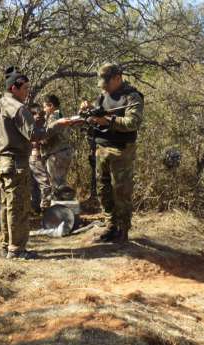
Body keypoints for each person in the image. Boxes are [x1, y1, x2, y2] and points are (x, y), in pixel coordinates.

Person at [0, 67, 70, 259]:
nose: (27, 92)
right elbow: (34, 135)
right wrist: (57, 125)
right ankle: (17, 250)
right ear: (14, 88)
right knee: (18, 206)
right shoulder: (18, 108)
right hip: (15, 162)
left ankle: (7, 245)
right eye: (25, 88)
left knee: (7, 205)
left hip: (0, 162)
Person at [81, 63, 144, 244]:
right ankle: (110, 225)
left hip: (121, 150)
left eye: (107, 83)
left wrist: (107, 120)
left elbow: (132, 123)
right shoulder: (103, 96)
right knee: (104, 189)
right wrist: (86, 111)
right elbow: (92, 117)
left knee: (121, 192)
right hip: (101, 148)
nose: (105, 87)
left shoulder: (132, 97)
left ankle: (122, 231)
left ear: (117, 78)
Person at [41, 94, 73, 199]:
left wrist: (40, 140)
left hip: (56, 154)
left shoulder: (53, 117)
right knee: (61, 181)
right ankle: (63, 205)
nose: (44, 109)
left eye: (45, 106)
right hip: (64, 152)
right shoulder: (61, 115)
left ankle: (61, 208)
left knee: (57, 185)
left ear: (51, 105)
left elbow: (48, 135)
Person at [28, 103, 53, 210]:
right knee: (45, 184)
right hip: (34, 157)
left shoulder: (41, 126)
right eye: (38, 117)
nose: (41, 119)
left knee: (35, 185)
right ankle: (45, 208)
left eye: (42, 117)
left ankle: (35, 208)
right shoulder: (29, 126)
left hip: (41, 156)